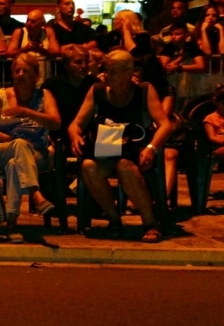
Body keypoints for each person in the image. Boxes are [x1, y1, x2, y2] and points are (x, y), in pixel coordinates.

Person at [69, 50, 171, 242]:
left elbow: (166, 125)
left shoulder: (144, 91)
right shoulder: (97, 91)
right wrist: (75, 135)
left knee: (125, 167)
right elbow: (76, 123)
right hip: (106, 149)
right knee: (88, 167)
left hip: (135, 151)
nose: (108, 75)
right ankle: (114, 218)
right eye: (106, 70)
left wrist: (152, 148)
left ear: (129, 72)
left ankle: (150, 222)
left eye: (113, 71)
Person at [0, 53, 60, 242]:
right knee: (19, 145)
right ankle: (36, 195)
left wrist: (25, 112)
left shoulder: (44, 96)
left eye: (26, 70)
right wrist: (6, 138)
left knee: (15, 164)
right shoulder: (1, 95)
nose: (20, 74)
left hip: (35, 154)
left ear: (36, 75)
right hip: (2, 148)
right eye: (17, 70)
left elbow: (56, 123)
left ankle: (12, 224)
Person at [42, 44, 97, 142]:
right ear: (66, 65)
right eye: (78, 62)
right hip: (57, 138)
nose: (84, 66)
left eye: (86, 62)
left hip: (88, 138)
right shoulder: (52, 84)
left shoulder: (94, 84)